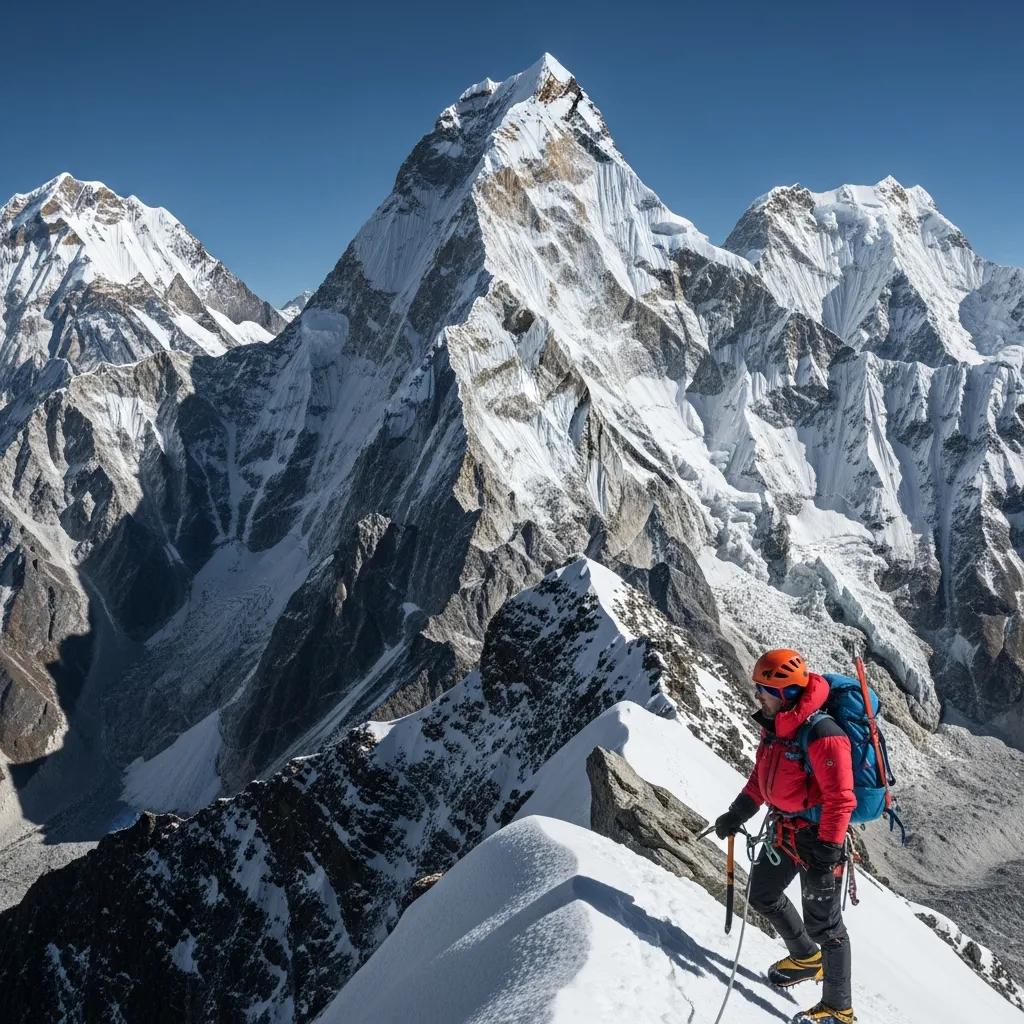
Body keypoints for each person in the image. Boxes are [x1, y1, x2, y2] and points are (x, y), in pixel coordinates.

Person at [714, 649, 857, 1024]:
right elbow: (762, 778)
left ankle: (839, 1010)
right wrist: (738, 811)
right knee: (761, 894)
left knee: (826, 926)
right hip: (785, 832)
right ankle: (806, 958)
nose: (757, 694)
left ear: (788, 692)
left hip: (817, 839)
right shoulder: (776, 728)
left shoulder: (823, 734)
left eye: (764, 688)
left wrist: (827, 851)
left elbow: (842, 799)